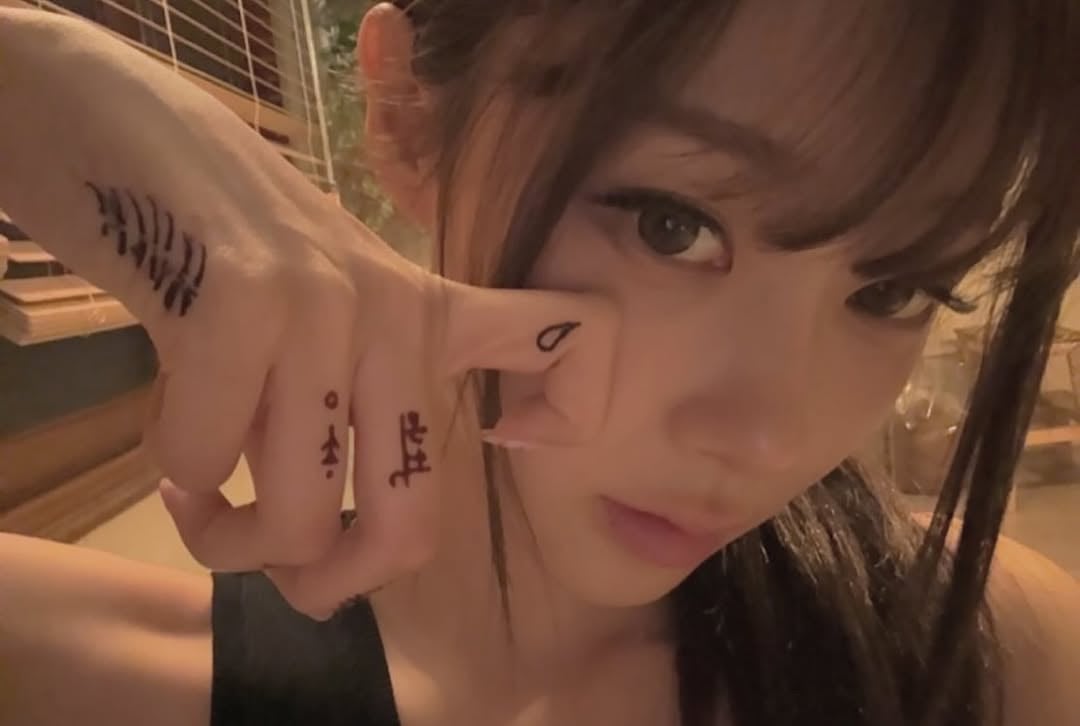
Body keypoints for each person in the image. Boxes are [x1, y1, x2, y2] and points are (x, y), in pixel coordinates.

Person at [0, 1, 1078, 725]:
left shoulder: (985, 655)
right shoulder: (84, 677)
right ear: (410, 120)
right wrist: (36, 81)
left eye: (895, 290)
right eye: (671, 225)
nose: (768, 438)